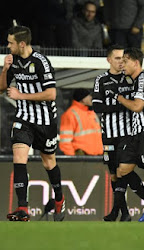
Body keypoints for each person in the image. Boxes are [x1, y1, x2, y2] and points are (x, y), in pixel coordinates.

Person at [0, 26, 65, 222]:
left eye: (10, 42)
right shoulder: (13, 61)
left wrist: (21, 95)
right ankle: (23, 208)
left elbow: (51, 94)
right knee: (19, 158)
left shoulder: (41, 62)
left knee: (49, 162)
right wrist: (5, 69)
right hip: (24, 119)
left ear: (21, 43)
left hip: (45, 122)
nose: (7, 46)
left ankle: (60, 199)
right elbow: (2, 88)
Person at [92, 45, 144, 221]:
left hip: (128, 134)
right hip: (109, 134)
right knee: (113, 174)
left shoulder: (131, 79)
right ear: (109, 60)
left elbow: (140, 98)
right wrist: (121, 105)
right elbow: (97, 106)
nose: (121, 62)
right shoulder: (101, 80)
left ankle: (126, 209)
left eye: (123, 59)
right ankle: (123, 212)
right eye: (117, 58)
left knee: (122, 171)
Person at [111, 47, 144, 222]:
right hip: (136, 135)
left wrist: (119, 98)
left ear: (135, 62)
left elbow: (137, 106)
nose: (122, 65)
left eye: (125, 61)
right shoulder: (137, 80)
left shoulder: (142, 79)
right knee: (123, 170)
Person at [59, 88, 103, 156]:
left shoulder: (91, 113)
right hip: (82, 157)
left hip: (96, 156)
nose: (91, 98)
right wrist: (73, 159)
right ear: (82, 99)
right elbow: (65, 141)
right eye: (89, 96)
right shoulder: (70, 114)